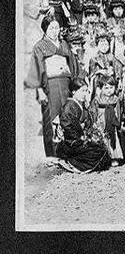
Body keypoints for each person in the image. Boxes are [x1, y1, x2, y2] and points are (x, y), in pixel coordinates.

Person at [26, 16, 80, 158]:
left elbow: (72, 65)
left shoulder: (64, 44)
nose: (55, 31)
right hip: (50, 86)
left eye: (57, 28)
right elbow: (36, 69)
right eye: (51, 28)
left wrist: (75, 83)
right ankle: (53, 155)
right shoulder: (40, 46)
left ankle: (68, 153)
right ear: (45, 29)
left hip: (65, 84)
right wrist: (39, 90)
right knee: (52, 118)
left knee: (67, 116)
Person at [56, 78, 111, 173]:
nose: (85, 94)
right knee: (98, 153)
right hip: (71, 143)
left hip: (81, 140)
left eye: (86, 91)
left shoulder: (82, 106)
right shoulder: (69, 107)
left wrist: (92, 134)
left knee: (102, 150)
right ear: (73, 92)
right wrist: (82, 137)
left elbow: (88, 122)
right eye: (82, 91)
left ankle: (76, 161)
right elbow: (67, 126)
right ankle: (70, 162)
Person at [90, 76, 125, 167]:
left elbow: (119, 111)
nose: (109, 90)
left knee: (113, 138)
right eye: (106, 88)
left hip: (112, 122)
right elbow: (93, 111)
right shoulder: (97, 99)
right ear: (101, 88)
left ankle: (114, 157)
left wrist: (118, 122)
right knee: (102, 138)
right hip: (101, 122)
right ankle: (103, 158)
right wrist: (95, 122)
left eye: (111, 87)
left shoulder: (116, 99)